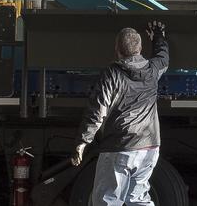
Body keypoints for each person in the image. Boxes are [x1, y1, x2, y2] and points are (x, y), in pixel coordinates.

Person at [71, 21, 169, 206]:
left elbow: (97, 111)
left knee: (107, 201)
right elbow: (163, 57)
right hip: (149, 147)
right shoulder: (153, 69)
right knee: (138, 199)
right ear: (140, 48)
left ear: (117, 49)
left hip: (120, 147)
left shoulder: (112, 74)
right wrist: (159, 36)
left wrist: (83, 141)